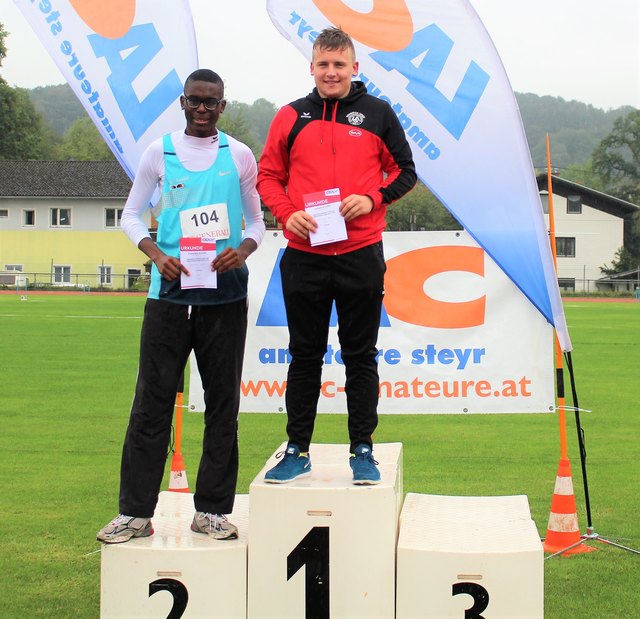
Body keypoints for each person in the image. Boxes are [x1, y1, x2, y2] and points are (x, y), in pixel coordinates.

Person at [97, 69, 265, 543]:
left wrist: (244, 250)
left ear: (223, 106)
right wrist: (155, 254)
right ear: (182, 102)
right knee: (151, 405)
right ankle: (135, 513)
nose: (203, 108)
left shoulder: (239, 156)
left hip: (224, 298)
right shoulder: (159, 152)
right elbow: (130, 215)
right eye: (195, 100)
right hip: (168, 298)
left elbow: (257, 221)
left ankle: (211, 511)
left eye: (212, 102)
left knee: (222, 407)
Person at [257, 27, 416, 485]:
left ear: (354, 68)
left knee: (360, 355)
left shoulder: (378, 113)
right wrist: (287, 214)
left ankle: (362, 450)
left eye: (339, 64)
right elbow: (268, 176)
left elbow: (406, 171)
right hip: (304, 254)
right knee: (304, 355)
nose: (331, 72)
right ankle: (297, 449)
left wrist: (373, 198)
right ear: (312, 68)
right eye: (323, 64)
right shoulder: (290, 115)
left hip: (359, 253)